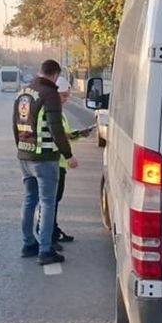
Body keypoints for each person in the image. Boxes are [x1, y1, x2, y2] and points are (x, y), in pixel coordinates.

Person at [13, 59, 77, 265]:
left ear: (40, 71)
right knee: (48, 202)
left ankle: (28, 243)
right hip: (45, 157)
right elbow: (55, 127)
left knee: (30, 200)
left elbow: (16, 124)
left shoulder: (24, 92)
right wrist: (68, 155)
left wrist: (21, 148)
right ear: (56, 75)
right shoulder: (50, 94)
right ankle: (45, 250)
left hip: (25, 154)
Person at [52, 75, 94, 245]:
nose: (66, 99)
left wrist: (79, 134)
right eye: (63, 95)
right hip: (55, 162)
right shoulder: (51, 111)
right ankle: (49, 234)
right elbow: (57, 136)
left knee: (54, 200)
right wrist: (69, 157)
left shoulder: (58, 112)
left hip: (59, 163)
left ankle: (52, 230)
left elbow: (64, 135)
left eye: (67, 95)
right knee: (51, 201)